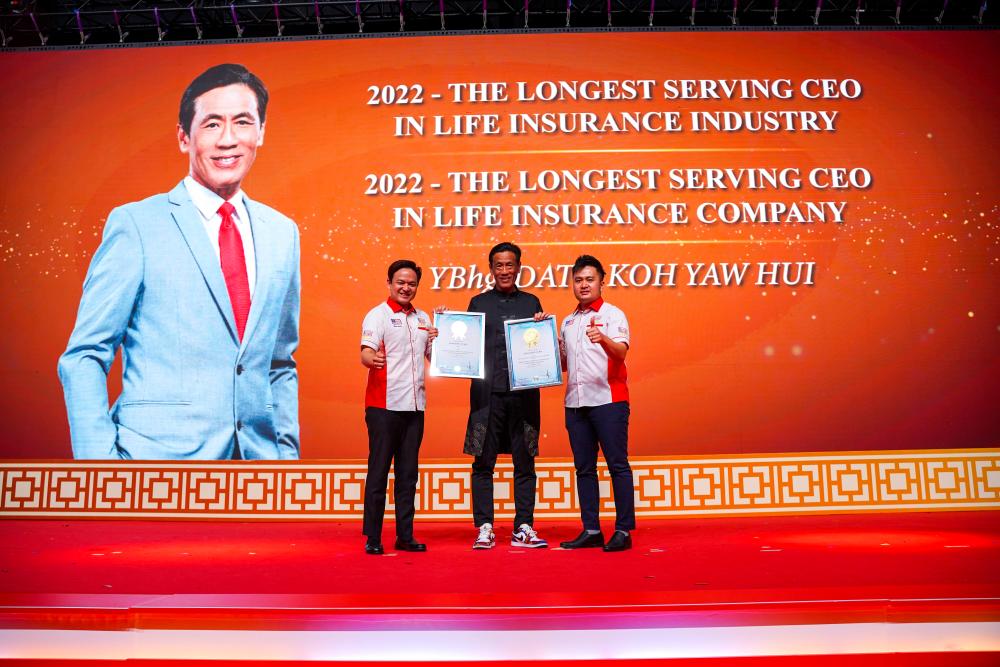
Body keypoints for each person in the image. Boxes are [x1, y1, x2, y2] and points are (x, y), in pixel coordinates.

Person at [57, 63, 300, 460]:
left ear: (261, 133)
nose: (228, 140)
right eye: (211, 125)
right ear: (184, 137)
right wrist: (97, 466)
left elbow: (279, 362)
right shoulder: (136, 224)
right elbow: (85, 355)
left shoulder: (282, 233)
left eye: (242, 122)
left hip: (259, 470)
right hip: (153, 464)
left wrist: (286, 456)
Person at [464, 242, 550, 549]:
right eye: (498, 265)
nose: (504, 271)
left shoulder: (531, 302)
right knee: (482, 463)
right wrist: (447, 329)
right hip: (486, 398)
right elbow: (464, 346)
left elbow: (541, 346)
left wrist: (543, 329)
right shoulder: (477, 303)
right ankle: (485, 526)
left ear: (519, 267)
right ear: (491, 269)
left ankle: (523, 526)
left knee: (525, 462)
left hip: (524, 398)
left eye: (510, 265)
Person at [359, 260, 438, 555]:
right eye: (400, 282)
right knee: (378, 472)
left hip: (415, 407)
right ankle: (373, 537)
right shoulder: (377, 315)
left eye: (412, 283)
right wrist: (370, 358)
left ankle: (405, 535)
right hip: (383, 407)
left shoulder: (423, 318)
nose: (406, 288)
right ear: (390, 283)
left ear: (417, 286)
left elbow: (436, 359)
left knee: (408, 474)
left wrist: (439, 341)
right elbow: (366, 352)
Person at [558, 255, 635, 552]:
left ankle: (623, 531)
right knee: (584, 469)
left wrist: (602, 338)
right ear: (573, 284)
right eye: (578, 280)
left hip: (609, 401)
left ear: (602, 281)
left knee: (618, 465)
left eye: (589, 279)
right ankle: (591, 529)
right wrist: (536, 341)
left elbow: (620, 353)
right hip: (576, 404)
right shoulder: (568, 321)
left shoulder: (614, 315)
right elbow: (563, 365)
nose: (584, 285)